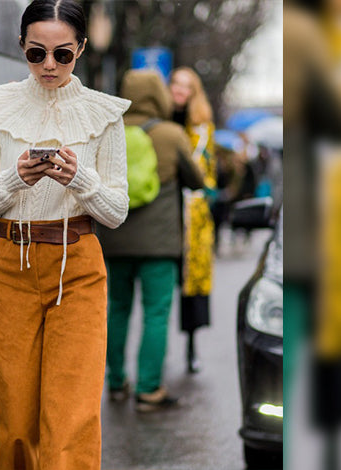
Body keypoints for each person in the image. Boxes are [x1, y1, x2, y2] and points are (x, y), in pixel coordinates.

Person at [0, 1, 131, 468]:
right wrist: (17, 177)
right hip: (8, 265)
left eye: (63, 54)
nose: (49, 66)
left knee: (70, 422)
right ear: (21, 46)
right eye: (36, 53)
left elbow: (116, 212)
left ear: (80, 48)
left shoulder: (105, 114)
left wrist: (80, 179)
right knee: (15, 423)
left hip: (77, 268)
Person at [96, 69, 204, 411]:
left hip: (114, 238)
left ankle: (115, 383)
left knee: (117, 309)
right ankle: (148, 389)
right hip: (159, 244)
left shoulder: (108, 132)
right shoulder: (171, 135)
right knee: (156, 314)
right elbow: (196, 180)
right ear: (159, 96)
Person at [169, 66, 216, 374]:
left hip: (193, 212)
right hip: (165, 208)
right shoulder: (159, 118)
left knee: (192, 283)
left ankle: (191, 346)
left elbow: (208, 173)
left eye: (187, 86)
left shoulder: (203, 129)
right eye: (176, 84)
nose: (180, 90)